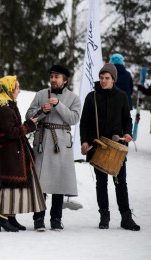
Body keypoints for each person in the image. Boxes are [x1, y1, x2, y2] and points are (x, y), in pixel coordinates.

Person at [80, 63, 140, 231]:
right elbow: (84, 122)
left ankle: (126, 217)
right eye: (101, 77)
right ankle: (104, 216)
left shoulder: (121, 97)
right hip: (98, 146)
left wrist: (128, 133)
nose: (104, 80)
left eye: (107, 78)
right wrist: (84, 141)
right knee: (101, 182)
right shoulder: (91, 97)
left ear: (113, 79)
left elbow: (127, 120)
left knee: (121, 182)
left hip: (117, 147)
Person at [25, 65, 81, 231]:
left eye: (57, 77)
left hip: (61, 144)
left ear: (65, 80)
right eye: (52, 76)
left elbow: (74, 118)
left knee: (59, 182)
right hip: (42, 141)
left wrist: (59, 105)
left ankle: (56, 219)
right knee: (40, 183)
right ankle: (38, 219)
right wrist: (41, 111)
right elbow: (29, 115)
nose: (53, 80)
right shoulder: (41, 94)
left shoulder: (73, 98)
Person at [0, 75, 46, 232]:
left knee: (14, 183)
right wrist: (29, 125)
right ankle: (2, 218)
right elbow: (11, 132)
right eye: (16, 88)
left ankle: (11, 217)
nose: (18, 91)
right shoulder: (4, 109)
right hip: (10, 152)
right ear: (8, 89)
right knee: (10, 184)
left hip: (13, 150)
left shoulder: (7, 106)